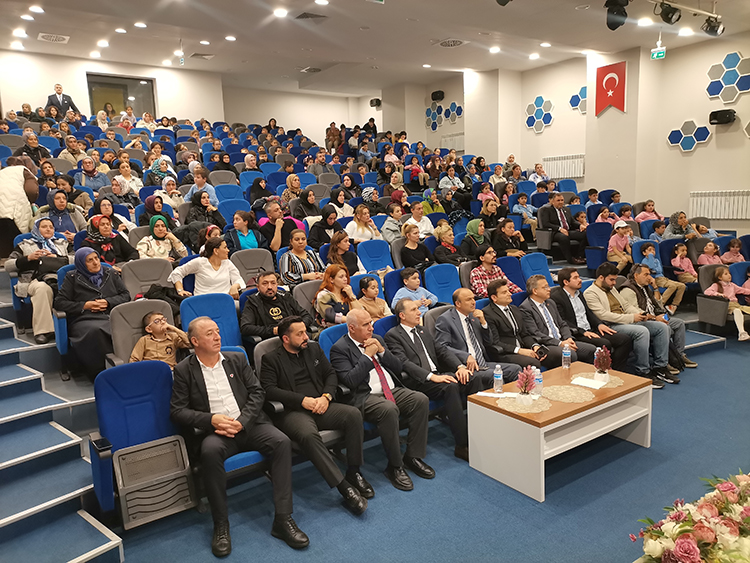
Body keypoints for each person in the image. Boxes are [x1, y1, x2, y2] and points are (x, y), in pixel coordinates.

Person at [171, 317, 308, 556]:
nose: (217, 337)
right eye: (210, 334)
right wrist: (211, 420)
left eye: (217, 331)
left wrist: (242, 421)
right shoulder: (184, 370)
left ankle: (283, 519)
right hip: (217, 432)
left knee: (281, 441)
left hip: (249, 424)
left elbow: (257, 392)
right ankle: (221, 524)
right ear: (194, 341)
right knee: (209, 451)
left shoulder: (236, 358)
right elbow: (177, 410)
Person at [260, 316, 372, 515]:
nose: (306, 336)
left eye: (305, 331)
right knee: (308, 434)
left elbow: (330, 374)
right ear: (286, 338)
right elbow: (269, 390)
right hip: (293, 412)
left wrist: (326, 397)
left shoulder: (313, 349)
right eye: (300, 334)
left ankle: (353, 471)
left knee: (353, 415)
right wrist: (302, 400)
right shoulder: (271, 359)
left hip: (321, 404)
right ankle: (344, 487)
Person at [329, 309, 433, 491]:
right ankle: (395, 466)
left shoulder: (377, 338)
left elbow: (398, 367)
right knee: (388, 409)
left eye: (371, 323)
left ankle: (413, 456)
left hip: (391, 390)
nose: (371, 328)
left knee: (420, 400)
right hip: (365, 396)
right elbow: (350, 381)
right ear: (352, 328)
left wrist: (382, 351)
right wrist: (367, 356)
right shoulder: (340, 349)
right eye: (365, 325)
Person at [385, 298, 486, 462]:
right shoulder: (393, 335)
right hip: (419, 380)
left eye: (418, 309)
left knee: (473, 378)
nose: (419, 312)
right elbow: (404, 363)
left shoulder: (423, 331)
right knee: (450, 386)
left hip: (439, 374)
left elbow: (442, 351)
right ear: (402, 315)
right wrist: (433, 377)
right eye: (413, 310)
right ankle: (462, 445)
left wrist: (460, 367)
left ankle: (481, 432)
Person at [583, 263, 671, 388]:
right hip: (610, 325)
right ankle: (643, 371)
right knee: (642, 331)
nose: (614, 283)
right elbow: (603, 315)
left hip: (626, 320)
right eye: (612, 280)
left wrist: (640, 313)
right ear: (601, 278)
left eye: (615, 279)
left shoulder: (611, 289)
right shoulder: (590, 293)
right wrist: (631, 318)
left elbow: (626, 305)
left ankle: (660, 367)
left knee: (662, 328)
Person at [54, 248, 130, 378]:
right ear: (81, 263)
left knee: (126, 326)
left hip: (111, 315)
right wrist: (85, 305)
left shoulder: (111, 273)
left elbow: (126, 295)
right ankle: (99, 372)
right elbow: (60, 303)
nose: (95, 262)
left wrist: (108, 302)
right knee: (95, 330)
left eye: (96, 258)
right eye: (89, 260)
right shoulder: (72, 277)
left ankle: (127, 366)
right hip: (85, 318)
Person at [549, 268, 633, 372]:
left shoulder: (579, 294)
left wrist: (599, 324)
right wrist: (583, 332)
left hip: (591, 329)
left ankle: (617, 370)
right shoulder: (557, 297)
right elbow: (563, 321)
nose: (580, 280)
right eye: (575, 278)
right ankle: (604, 370)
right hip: (577, 333)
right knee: (604, 343)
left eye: (579, 277)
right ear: (566, 282)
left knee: (624, 339)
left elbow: (589, 313)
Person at [620, 264, 696, 373]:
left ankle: (678, 356)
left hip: (654, 317)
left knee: (679, 323)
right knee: (664, 328)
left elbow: (659, 306)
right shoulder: (628, 290)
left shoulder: (645, 287)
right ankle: (662, 363)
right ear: (636, 275)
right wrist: (656, 319)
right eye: (646, 274)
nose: (649, 277)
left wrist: (655, 288)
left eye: (649, 274)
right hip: (641, 321)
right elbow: (636, 312)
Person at [434, 287, 521, 381]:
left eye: (473, 298)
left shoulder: (474, 316)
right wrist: (466, 356)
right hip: (465, 366)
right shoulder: (445, 320)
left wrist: (483, 323)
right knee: (494, 375)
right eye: (468, 299)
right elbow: (443, 347)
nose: (473, 302)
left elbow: (489, 342)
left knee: (516, 369)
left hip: (482, 362)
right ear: (458, 304)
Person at [6, 218, 70, 343]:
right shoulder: (24, 245)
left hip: (61, 278)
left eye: (51, 227)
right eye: (44, 227)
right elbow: (8, 265)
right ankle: (44, 331)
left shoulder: (62, 243)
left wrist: (57, 258)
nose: (48, 229)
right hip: (34, 280)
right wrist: (28, 258)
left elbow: (78, 259)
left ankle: (74, 328)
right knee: (42, 288)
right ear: (36, 229)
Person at [519, 275, 597, 367]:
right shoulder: (526, 308)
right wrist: (559, 343)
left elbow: (562, 324)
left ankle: (586, 374)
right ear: (535, 291)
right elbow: (535, 333)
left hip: (562, 340)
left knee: (591, 349)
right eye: (545, 287)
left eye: (548, 286)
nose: (549, 289)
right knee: (570, 354)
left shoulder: (550, 302)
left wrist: (568, 338)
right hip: (546, 345)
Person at [240, 271, 315, 345]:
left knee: (314, 347)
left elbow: (307, 316)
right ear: (258, 287)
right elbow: (246, 328)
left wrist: (296, 328)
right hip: (271, 341)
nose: (269, 287)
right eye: (265, 283)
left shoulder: (286, 297)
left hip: (294, 338)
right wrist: (273, 330)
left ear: (277, 285)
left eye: (273, 283)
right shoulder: (252, 302)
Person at [169, 237, 244, 299]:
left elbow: (238, 279)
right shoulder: (200, 262)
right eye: (225, 248)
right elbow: (177, 272)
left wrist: (235, 286)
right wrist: (180, 290)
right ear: (216, 251)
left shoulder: (227, 263)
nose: (228, 250)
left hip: (225, 300)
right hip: (204, 301)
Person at [538, 192, 587, 264]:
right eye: (558, 200)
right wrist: (559, 229)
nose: (560, 202)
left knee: (585, 234)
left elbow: (572, 221)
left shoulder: (567, 209)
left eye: (562, 200)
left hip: (567, 231)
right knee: (563, 237)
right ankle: (570, 259)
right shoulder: (547, 210)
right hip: (554, 232)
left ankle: (579, 256)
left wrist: (580, 226)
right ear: (553, 201)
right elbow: (546, 224)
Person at [705, 266, 750, 341]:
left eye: (729, 273)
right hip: (726, 305)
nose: (729, 275)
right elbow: (707, 292)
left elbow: (743, 290)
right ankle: (742, 333)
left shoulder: (732, 285)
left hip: (736, 305)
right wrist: (718, 294)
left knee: (741, 309)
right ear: (720, 277)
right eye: (726, 274)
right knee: (737, 311)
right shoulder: (716, 285)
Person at [640, 242, 685, 315]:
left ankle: (673, 305)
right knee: (672, 286)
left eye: (653, 250)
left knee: (682, 286)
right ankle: (659, 305)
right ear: (644, 253)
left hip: (663, 278)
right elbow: (651, 268)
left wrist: (655, 269)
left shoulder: (657, 260)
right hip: (655, 279)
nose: (652, 252)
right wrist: (650, 256)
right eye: (650, 250)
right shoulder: (644, 261)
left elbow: (659, 270)